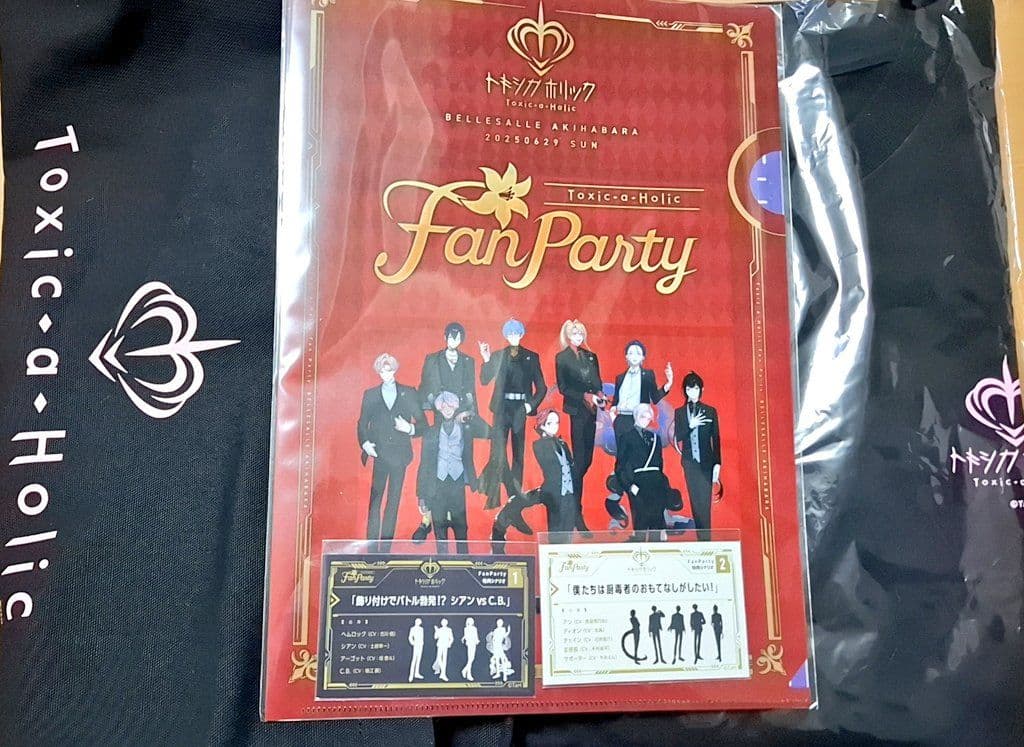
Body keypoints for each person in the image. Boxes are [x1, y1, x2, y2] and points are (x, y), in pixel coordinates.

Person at [413, 322, 479, 543]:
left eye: (458, 337)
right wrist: (432, 406)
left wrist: (469, 414)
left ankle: (454, 517)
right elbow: (424, 388)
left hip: (461, 416)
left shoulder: (468, 361)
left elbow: (471, 393)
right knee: (434, 459)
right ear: (445, 337)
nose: (454, 341)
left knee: (460, 456)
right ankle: (427, 520)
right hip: (438, 413)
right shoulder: (432, 359)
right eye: (451, 336)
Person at [479, 319, 547, 509]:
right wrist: (486, 359)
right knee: (497, 451)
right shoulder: (498, 356)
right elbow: (484, 379)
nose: (514, 337)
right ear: (506, 335)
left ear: (521, 334)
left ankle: (515, 495)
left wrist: (528, 407)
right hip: (501, 407)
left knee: (518, 453)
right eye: (510, 333)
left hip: (520, 408)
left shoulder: (531, 357)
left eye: (517, 333)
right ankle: (494, 496)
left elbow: (541, 387)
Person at [357, 353, 421, 544]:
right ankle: (371, 546)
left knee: (393, 502)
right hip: (379, 453)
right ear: (378, 372)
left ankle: (385, 547)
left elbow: (423, 424)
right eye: (382, 371)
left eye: (389, 370)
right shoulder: (370, 394)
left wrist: (409, 428)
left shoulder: (409, 392)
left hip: (400, 456)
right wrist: (365, 443)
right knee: (375, 501)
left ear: (394, 369)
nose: (386, 374)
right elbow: (362, 423)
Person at [607, 340, 673, 525]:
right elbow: (616, 400)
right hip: (621, 420)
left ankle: (641, 506)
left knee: (638, 462)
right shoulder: (620, 377)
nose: (634, 356)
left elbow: (654, 397)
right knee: (623, 461)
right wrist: (613, 411)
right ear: (626, 357)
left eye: (638, 352)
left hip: (638, 419)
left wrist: (668, 384)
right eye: (630, 352)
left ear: (643, 357)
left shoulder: (647, 375)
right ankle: (618, 497)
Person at [491, 409, 580, 544]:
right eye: (550, 423)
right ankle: (503, 521)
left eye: (556, 422)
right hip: (552, 492)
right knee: (556, 530)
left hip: (568, 493)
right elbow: (549, 466)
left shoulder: (562, 444)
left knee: (568, 527)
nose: (554, 426)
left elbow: (570, 465)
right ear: (542, 425)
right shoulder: (540, 445)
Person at [415, 392, 489, 554]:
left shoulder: (466, 429)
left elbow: (488, 432)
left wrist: (470, 414)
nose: (447, 409)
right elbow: (424, 464)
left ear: (456, 407)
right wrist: (421, 496)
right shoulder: (431, 433)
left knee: (461, 526)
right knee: (439, 526)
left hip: (457, 482)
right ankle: (442, 561)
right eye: (443, 406)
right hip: (437, 484)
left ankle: (464, 560)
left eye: (450, 405)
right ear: (439, 409)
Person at [554, 319, 604, 530]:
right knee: (580, 459)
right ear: (567, 335)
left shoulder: (591, 356)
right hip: (576, 410)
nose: (578, 337)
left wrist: (599, 394)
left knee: (586, 461)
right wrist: (584, 395)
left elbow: (597, 382)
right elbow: (563, 387)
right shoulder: (562, 357)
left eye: (580, 333)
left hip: (592, 410)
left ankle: (571, 500)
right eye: (574, 333)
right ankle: (575, 510)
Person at [613, 403, 683, 533]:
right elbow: (620, 467)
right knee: (641, 523)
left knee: (657, 523)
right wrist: (630, 486)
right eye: (642, 416)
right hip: (638, 483)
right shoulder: (626, 437)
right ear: (636, 416)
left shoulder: (655, 438)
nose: (645, 420)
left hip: (656, 484)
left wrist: (662, 484)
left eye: (648, 417)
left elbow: (659, 464)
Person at [673, 371, 722, 539]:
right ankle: (701, 540)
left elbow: (715, 438)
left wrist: (717, 464)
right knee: (695, 500)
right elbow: (678, 437)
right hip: (689, 462)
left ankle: (706, 540)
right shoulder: (680, 412)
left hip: (707, 462)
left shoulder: (710, 411)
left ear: (701, 389)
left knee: (705, 501)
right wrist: (691, 425)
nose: (692, 392)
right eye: (688, 389)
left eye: (695, 389)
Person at [408, 618, 424, 682]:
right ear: (415, 622)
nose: (419, 623)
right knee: (414, 659)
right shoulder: (412, 629)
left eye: (419, 622)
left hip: (420, 645)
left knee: (419, 659)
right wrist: (413, 643)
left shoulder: (421, 629)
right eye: (418, 622)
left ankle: (416, 673)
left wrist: (422, 643)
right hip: (416, 645)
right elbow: (410, 637)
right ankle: (411, 675)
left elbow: (422, 637)